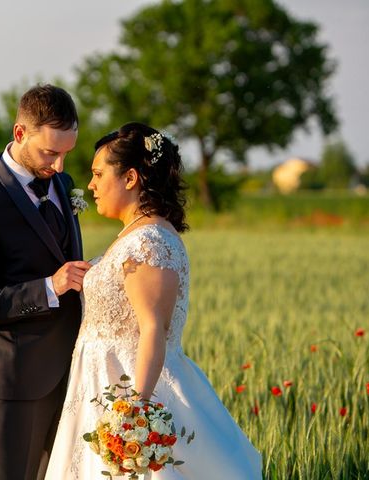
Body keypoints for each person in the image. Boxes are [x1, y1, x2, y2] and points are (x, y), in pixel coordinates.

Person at [45, 122, 262, 479]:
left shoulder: (148, 242)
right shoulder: (138, 235)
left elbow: (152, 329)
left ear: (130, 178)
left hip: (127, 389)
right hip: (102, 385)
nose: (92, 185)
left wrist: (132, 414)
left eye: (99, 174)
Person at [0, 84, 90, 480]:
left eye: (66, 153)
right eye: (50, 153)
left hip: (76, 377)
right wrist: (49, 287)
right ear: (20, 133)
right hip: (17, 384)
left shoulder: (62, 184)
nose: (59, 166)